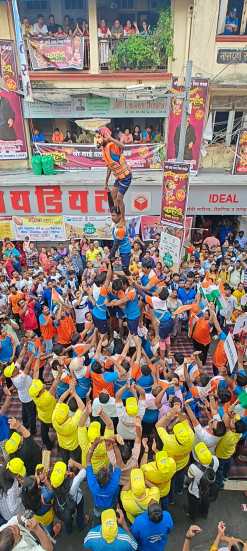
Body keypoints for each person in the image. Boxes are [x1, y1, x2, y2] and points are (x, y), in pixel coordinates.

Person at [96, 127, 132, 217]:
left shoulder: (111, 145)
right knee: (113, 195)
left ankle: (122, 218)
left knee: (119, 198)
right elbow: (109, 168)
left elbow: (123, 146)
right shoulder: (104, 150)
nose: (98, 140)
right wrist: (106, 183)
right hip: (119, 178)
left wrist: (111, 138)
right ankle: (117, 212)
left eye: (100, 137)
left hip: (126, 177)